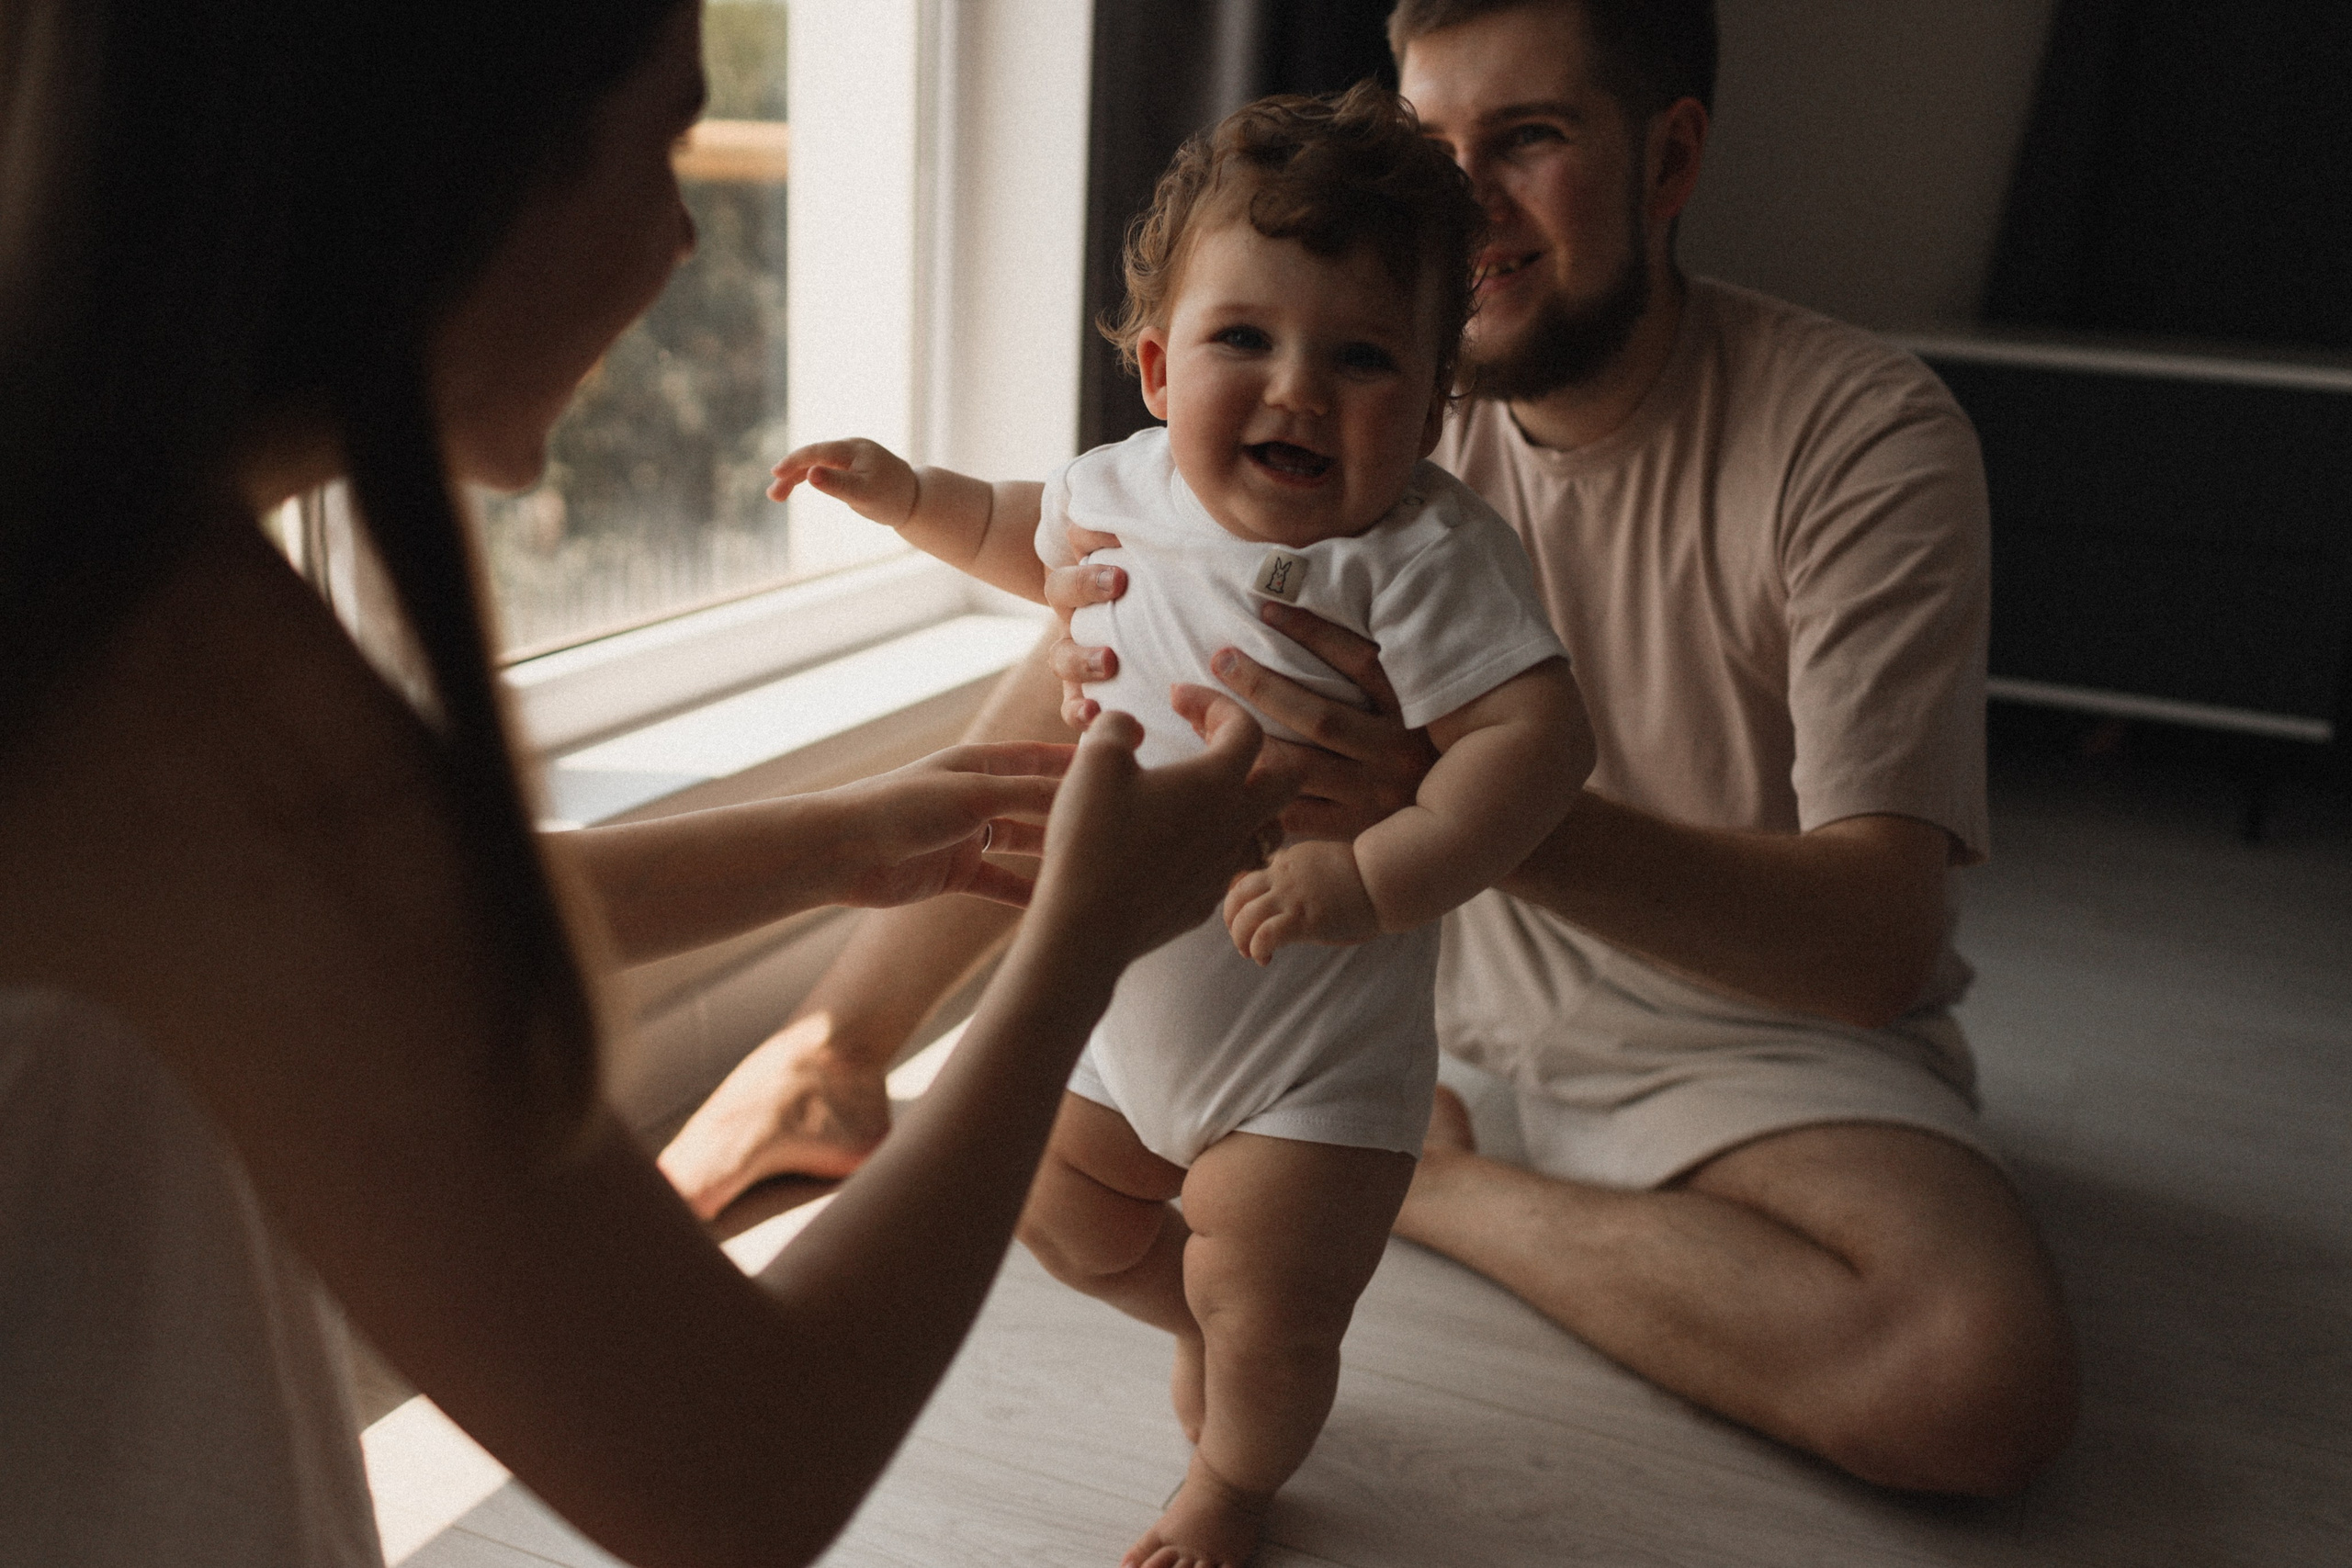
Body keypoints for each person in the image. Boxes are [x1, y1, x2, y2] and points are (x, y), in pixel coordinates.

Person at [661, 0, 2084, 1501]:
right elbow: (1095, 616)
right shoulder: (1340, 383)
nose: (1464, 206)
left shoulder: (1853, 434)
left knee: (1967, 1380)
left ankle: (1428, 1190)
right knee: (1112, 619)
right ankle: (833, 1059)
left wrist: (1450, 810)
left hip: (1725, 1036)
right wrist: (855, 1035)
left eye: (1526, 140)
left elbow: (1875, 943)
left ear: (1669, 157)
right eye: (1432, 146)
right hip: (1366, 985)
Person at [0, 3, 1296, 1565]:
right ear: (461, 161)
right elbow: (741, 1470)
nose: (688, 237)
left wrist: (840, 838)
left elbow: (351, 923)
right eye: (669, 142)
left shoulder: (86, 587)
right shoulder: (183, 679)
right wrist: (1077, 940)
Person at [764, 88, 1591, 1568]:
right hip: (1117, 1017)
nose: (1298, 390)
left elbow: (1534, 743)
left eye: (1361, 359)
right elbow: (1025, 531)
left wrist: (1380, 872)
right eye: (1244, 342)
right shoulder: (1123, 491)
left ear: (1433, 401)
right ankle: (1201, 1305)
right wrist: (905, 498)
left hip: (1308, 1060)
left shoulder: (1419, 557)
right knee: (1059, 1214)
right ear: (1156, 367)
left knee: (1268, 1323)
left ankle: (1235, 1478)